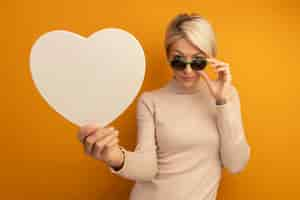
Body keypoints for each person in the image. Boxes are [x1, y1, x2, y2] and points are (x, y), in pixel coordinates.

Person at [77, 12, 251, 200]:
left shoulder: (227, 95)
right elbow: (147, 168)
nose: (188, 70)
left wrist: (222, 102)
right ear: (168, 57)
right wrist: (113, 156)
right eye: (178, 60)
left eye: (198, 61)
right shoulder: (151, 101)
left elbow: (236, 163)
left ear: (211, 58)